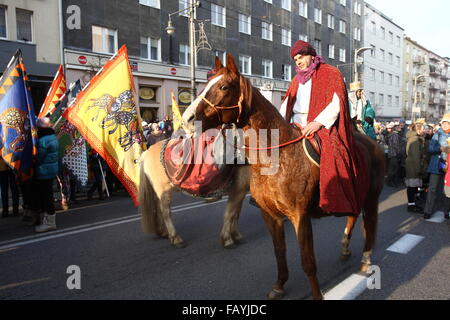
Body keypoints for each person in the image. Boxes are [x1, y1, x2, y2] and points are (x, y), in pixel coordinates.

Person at [279, 40, 367, 215]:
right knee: (275, 143)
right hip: (295, 123)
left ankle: (333, 197)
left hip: (319, 124)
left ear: (311, 55)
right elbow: (287, 103)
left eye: (301, 57)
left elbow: (337, 102)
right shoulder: (296, 79)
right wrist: (279, 123)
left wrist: (317, 123)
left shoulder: (331, 73)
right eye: (295, 59)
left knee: (333, 149)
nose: (298, 61)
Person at [33, 117, 60, 233]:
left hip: (44, 170)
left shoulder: (43, 140)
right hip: (51, 169)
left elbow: (40, 158)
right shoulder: (52, 136)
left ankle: (50, 222)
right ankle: (47, 220)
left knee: (46, 196)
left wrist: (33, 161)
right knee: (47, 194)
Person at [423, 114, 450, 220]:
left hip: (448, 165)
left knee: (446, 190)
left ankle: (446, 211)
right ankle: (428, 210)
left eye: (447, 123)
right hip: (437, 164)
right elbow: (430, 149)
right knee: (433, 188)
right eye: (443, 123)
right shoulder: (437, 134)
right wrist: (440, 149)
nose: (445, 125)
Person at [404, 121, 425, 213]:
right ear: (418, 130)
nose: (424, 131)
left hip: (411, 164)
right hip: (413, 165)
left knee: (411, 186)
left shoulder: (412, 138)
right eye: (423, 129)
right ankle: (411, 205)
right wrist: (419, 169)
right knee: (412, 186)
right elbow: (416, 157)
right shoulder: (415, 140)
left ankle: (412, 203)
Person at [385, 122, 403, 187]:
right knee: (394, 169)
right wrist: (399, 153)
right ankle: (389, 181)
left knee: (392, 168)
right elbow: (396, 145)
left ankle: (391, 181)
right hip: (395, 154)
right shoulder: (395, 135)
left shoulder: (389, 135)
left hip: (391, 153)